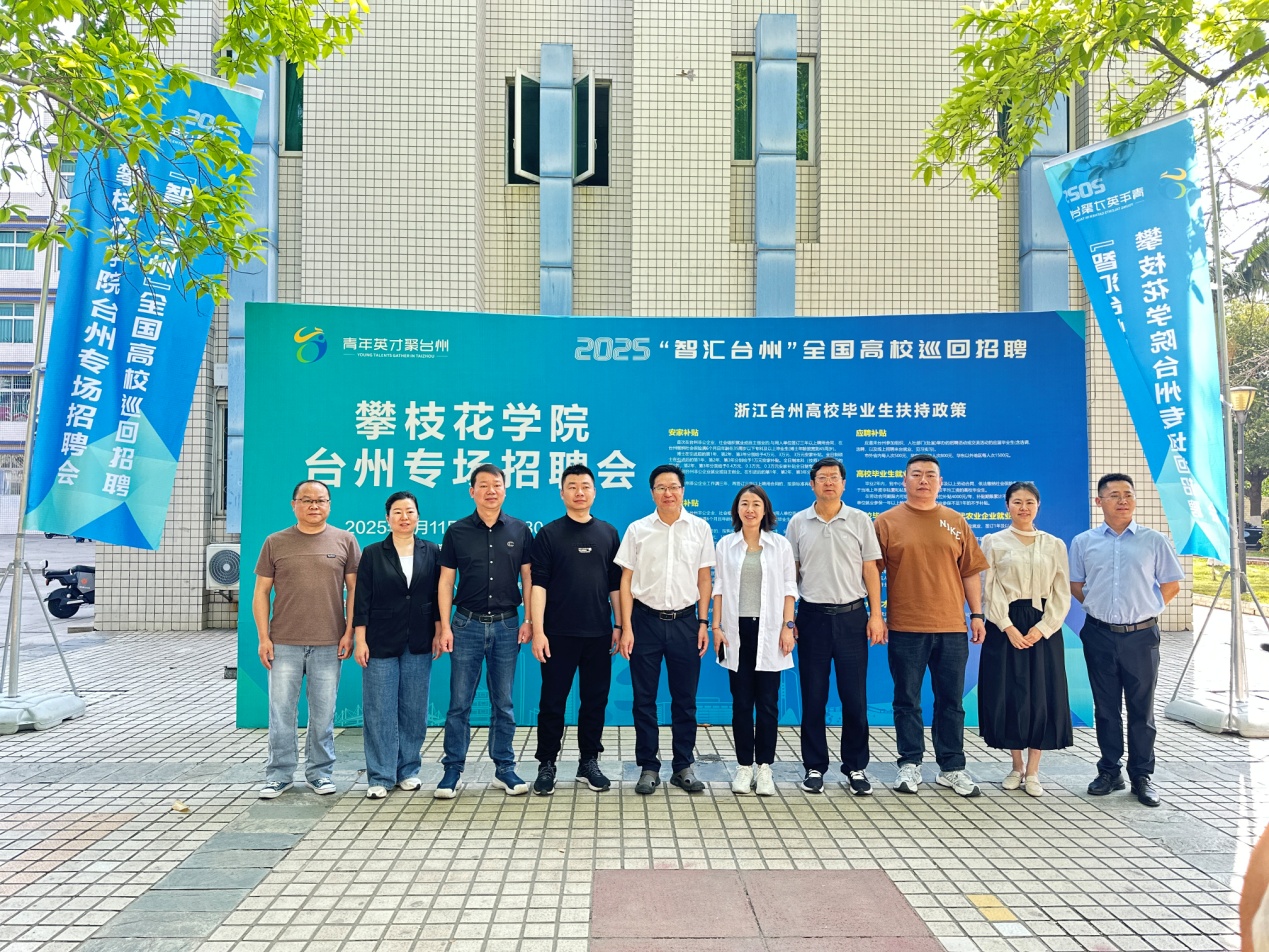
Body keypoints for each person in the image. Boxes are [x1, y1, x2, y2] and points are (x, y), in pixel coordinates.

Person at [875, 453, 989, 798]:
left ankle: (952, 767)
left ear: (940, 482)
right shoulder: (886, 522)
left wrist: (977, 614)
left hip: (951, 627)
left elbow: (970, 572)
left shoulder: (955, 521)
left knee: (951, 701)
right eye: (916, 474)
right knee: (906, 700)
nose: (923, 480)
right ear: (904, 481)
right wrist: (875, 614)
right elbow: (871, 572)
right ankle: (909, 763)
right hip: (906, 627)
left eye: (930, 475)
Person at [1069, 472, 1183, 807]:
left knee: (1141, 709)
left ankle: (1142, 776)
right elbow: (1076, 585)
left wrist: (1148, 610)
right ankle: (1109, 771)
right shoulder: (1084, 542)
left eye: (1128, 494)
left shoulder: (1154, 540)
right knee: (1105, 708)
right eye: (1115, 495)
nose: (1123, 500)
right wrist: (1099, 609)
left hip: (1141, 637)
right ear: (1099, 501)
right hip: (1099, 634)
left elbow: (1171, 584)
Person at [784, 458, 886, 796]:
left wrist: (875, 615)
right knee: (813, 696)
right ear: (812, 484)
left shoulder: (859, 520)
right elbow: (791, 574)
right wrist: (789, 618)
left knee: (854, 697)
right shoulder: (798, 522)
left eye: (834, 477)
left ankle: (855, 767)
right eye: (822, 478)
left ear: (844, 484)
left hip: (852, 617)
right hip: (812, 617)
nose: (829, 482)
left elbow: (870, 570)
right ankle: (814, 766)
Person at [252, 479, 360, 799]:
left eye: (321, 500)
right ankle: (279, 774)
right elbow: (261, 593)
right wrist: (263, 637)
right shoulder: (275, 542)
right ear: (294, 504)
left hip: (329, 642)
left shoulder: (345, 540)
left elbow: (355, 590)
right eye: (307, 500)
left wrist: (349, 632)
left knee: (323, 714)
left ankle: (320, 773)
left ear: (329, 505)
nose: (314, 505)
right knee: (281, 713)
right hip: (283, 642)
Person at [435, 463, 534, 799]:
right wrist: (445, 626)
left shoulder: (520, 529)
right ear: (472, 491)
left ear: (505, 489)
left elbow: (528, 578)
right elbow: (446, 581)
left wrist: (529, 619)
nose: (491, 490)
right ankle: (452, 770)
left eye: (497, 484)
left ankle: (504, 768)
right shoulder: (457, 531)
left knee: (503, 702)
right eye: (483, 485)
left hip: (507, 625)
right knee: (459, 703)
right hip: (466, 625)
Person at [617, 464, 715, 794]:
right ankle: (648, 766)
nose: (668, 493)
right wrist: (626, 627)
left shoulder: (700, 528)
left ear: (682, 491)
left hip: (686, 622)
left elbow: (705, 579)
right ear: (652, 493)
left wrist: (703, 622)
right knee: (643, 699)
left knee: (685, 699)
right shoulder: (638, 529)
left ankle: (683, 765)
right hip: (644, 621)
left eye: (673, 487)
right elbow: (626, 581)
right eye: (661, 487)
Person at [528, 464, 622, 795]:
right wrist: (538, 631)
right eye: (572, 486)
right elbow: (538, 586)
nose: (579, 492)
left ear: (594, 492)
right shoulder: (548, 534)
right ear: (562, 493)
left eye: (585, 486)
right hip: (557, 634)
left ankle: (588, 762)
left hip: (598, 633)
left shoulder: (608, 533)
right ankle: (546, 764)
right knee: (552, 702)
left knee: (594, 701)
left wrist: (619, 624)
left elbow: (615, 585)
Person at [977, 481, 1073, 797]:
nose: (1023, 507)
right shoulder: (993, 541)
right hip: (1005, 625)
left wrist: (1044, 628)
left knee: (1041, 694)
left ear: (1038, 506)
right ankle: (1016, 765)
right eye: (1017, 502)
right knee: (1009, 693)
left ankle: (1033, 770)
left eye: (1029, 502)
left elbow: (1061, 591)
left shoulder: (1054, 544)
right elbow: (988, 587)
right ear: (1007, 506)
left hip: (1043, 626)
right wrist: (1007, 626)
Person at [352, 491, 442, 800]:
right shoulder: (373, 553)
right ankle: (380, 775)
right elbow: (361, 599)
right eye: (398, 512)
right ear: (387, 518)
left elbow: (438, 595)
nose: (404, 517)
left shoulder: (432, 550)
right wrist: (360, 639)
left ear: (418, 516)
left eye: (410, 511)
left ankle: (408, 770)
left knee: (414, 709)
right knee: (379, 709)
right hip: (379, 640)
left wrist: (439, 630)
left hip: (419, 638)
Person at [712, 484, 797, 797]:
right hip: (737, 632)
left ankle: (764, 768)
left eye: (756, 504)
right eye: (744, 504)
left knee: (768, 703)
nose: (750, 509)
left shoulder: (779, 545)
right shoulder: (726, 545)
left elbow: (789, 589)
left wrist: (788, 626)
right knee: (741, 703)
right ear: (737, 509)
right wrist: (716, 626)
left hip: (770, 631)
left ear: (765, 510)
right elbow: (719, 587)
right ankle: (744, 766)